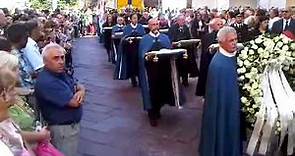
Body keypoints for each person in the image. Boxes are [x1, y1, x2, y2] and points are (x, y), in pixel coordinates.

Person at [35, 43, 86, 156]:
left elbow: (77, 84)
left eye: (62, 57)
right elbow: (75, 102)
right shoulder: (48, 82)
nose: (61, 61)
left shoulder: (59, 73)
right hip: (62, 130)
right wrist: (79, 92)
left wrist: (81, 90)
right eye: (55, 58)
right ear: (45, 61)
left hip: (68, 127)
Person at [199, 26, 241, 156]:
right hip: (224, 108)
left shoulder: (234, 56)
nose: (234, 43)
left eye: (236, 39)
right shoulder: (218, 64)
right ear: (221, 42)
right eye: (230, 41)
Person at [138, 18, 184, 127]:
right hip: (151, 71)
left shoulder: (164, 37)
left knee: (162, 90)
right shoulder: (145, 39)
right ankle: (152, 113)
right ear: (149, 26)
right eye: (153, 24)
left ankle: (158, 109)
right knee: (152, 91)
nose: (155, 26)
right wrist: (148, 56)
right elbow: (142, 55)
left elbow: (169, 50)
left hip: (163, 69)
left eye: (157, 24)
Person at [0, 67, 50, 156]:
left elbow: (23, 144)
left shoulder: (7, 120)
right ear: (3, 95)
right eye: (11, 89)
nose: (15, 92)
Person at [114, 13, 145, 87]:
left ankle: (140, 80)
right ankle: (133, 80)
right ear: (130, 19)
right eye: (133, 18)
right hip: (130, 49)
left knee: (139, 65)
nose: (135, 19)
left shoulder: (140, 27)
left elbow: (144, 35)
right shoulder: (127, 27)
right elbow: (124, 37)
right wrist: (128, 38)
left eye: (136, 18)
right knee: (131, 65)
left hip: (138, 48)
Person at [195, 18, 223, 97]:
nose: (220, 26)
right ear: (213, 26)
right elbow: (205, 51)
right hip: (210, 62)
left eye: (221, 24)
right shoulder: (207, 37)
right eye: (218, 24)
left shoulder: (226, 36)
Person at [168, 15, 199, 87]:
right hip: (176, 51)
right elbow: (171, 39)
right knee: (177, 66)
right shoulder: (172, 28)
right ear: (178, 20)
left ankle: (185, 81)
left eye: (184, 20)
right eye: (181, 20)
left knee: (185, 65)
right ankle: (177, 81)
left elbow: (189, 37)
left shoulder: (186, 27)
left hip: (185, 50)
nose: (183, 22)